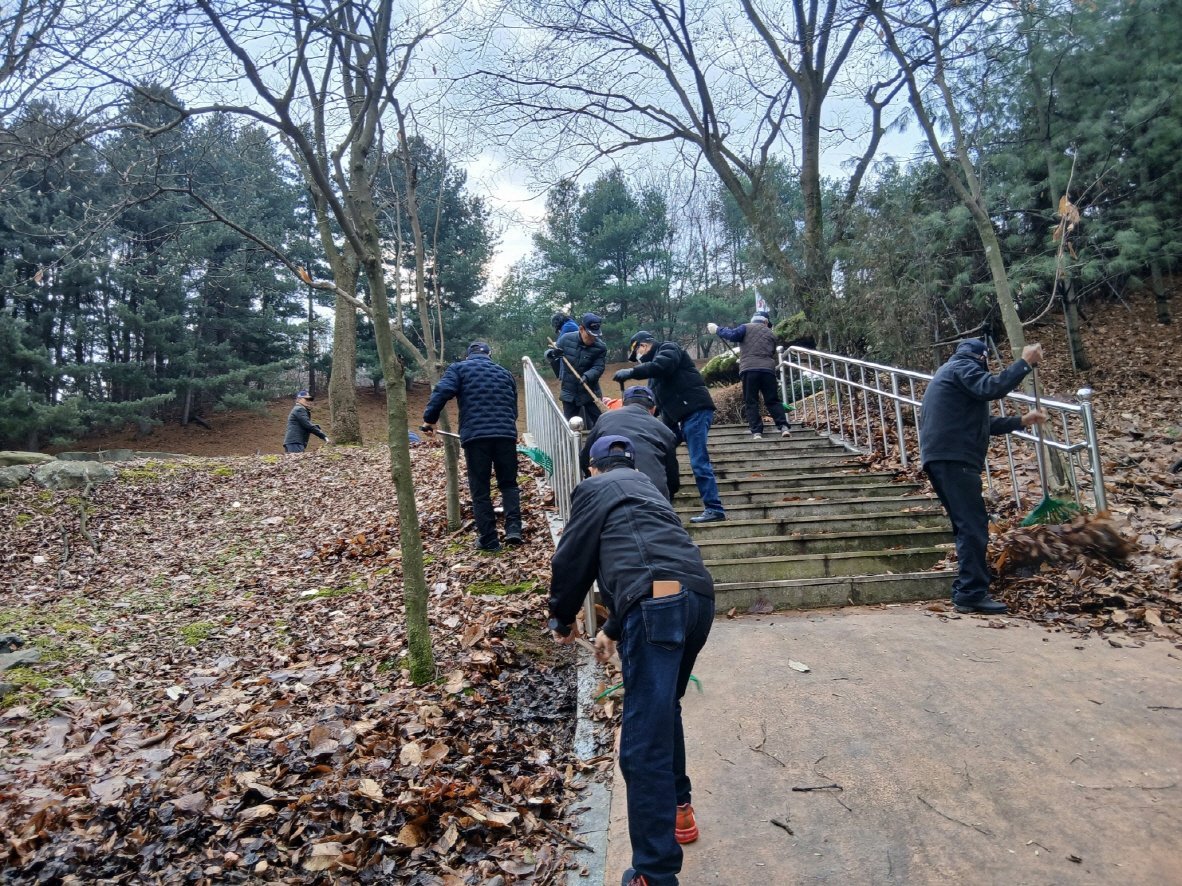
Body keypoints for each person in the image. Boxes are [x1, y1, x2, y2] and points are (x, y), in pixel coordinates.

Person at [548, 434, 714, 886]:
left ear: (592, 467)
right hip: (696, 597)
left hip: (658, 600)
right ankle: (679, 809)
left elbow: (572, 556)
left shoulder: (594, 488)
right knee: (665, 710)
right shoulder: (649, 491)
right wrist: (614, 629)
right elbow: (657, 569)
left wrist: (561, 617)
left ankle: (654, 875)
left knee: (642, 744)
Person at [919, 338, 1048, 614]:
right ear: (982, 358)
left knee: (967, 526)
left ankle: (967, 590)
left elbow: (980, 423)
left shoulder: (949, 374)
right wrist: (1025, 363)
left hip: (942, 457)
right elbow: (992, 387)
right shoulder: (963, 367)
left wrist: (1020, 422)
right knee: (973, 526)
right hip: (955, 458)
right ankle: (970, 593)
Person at [613, 331, 726, 524]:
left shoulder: (668, 348)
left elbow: (662, 366)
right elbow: (654, 404)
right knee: (656, 449)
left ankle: (714, 509)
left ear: (643, 346)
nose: (638, 359)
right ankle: (661, 501)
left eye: (637, 353)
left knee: (698, 461)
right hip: (676, 418)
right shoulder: (654, 376)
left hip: (694, 411)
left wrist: (631, 373)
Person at [422, 341, 523, 552]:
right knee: (509, 484)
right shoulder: (504, 373)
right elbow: (514, 410)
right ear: (489, 355)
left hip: (477, 437)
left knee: (480, 489)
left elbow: (442, 391)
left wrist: (430, 420)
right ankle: (514, 530)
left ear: (468, 355)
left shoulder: (459, 369)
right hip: (505, 435)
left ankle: (489, 540)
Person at [580, 385, 680, 501]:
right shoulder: (665, 431)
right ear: (653, 408)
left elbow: (585, 458)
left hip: (611, 493)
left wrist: (592, 478)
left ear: (623, 404)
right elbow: (672, 479)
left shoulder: (605, 419)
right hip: (655, 496)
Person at [708, 314, 791, 440]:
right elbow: (771, 352)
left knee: (751, 401)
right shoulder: (770, 333)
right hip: (768, 370)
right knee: (772, 400)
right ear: (765, 322)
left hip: (749, 370)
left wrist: (717, 329)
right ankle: (783, 427)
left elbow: (732, 335)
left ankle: (757, 432)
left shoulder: (745, 327)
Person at [547, 312, 607, 427]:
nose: (592, 338)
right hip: (569, 392)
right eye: (589, 335)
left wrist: (587, 376)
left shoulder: (601, 347)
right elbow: (549, 354)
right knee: (569, 425)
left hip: (590, 392)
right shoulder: (566, 339)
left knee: (600, 424)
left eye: (595, 335)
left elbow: (598, 367)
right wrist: (553, 353)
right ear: (581, 329)